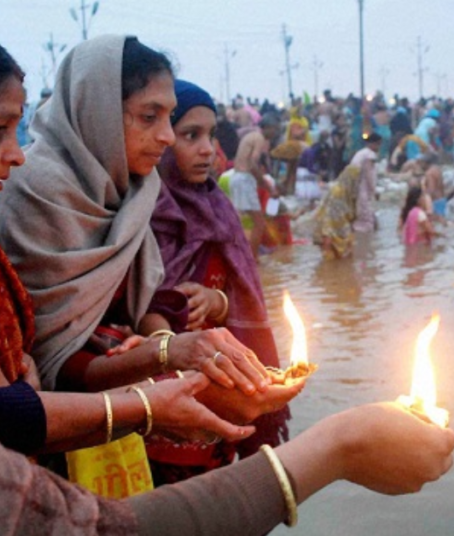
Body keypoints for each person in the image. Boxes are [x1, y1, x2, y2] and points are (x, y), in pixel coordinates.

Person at [0, 3, 454, 533]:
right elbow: (0, 404)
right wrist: (154, 391)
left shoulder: (92, 203)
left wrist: (184, 342)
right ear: (99, 120)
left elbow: (75, 341)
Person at [0, 36, 270, 399]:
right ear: (96, 112)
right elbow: (48, 354)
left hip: (121, 396)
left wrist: (164, 339)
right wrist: (164, 353)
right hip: (42, 415)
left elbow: (145, 302)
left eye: (169, 117)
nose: (166, 136)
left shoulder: (135, 190)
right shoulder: (34, 190)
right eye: (149, 117)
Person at [147, 80, 294, 483]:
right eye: (190, 135)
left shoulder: (219, 209)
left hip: (222, 393)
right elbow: (123, 312)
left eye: (211, 135)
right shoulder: (135, 217)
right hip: (154, 407)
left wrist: (217, 302)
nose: (208, 149)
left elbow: (243, 295)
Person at [232, 113, 281, 257]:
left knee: (239, 221)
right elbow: (252, 164)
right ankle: (253, 260)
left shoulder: (251, 136)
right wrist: (269, 188)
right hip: (244, 179)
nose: (276, 133)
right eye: (275, 129)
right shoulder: (259, 138)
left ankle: (242, 255)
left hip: (237, 178)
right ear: (268, 127)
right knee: (259, 223)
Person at [312, 166, 362, 259]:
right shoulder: (337, 191)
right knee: (330, 257)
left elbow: (350, 212)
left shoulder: (348, 192)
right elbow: (330, 217)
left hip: (339, 227)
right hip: (330, 230)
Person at [350, 131, 381, 232]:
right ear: (373, 143)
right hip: (362, 190)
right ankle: (364, 243)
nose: (379, 147)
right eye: (378, 144)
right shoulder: (369, 155)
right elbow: (369, 175)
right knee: (367, 222)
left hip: (355, 189)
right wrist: (374, 191)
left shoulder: (361, 153)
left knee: (361, 217)